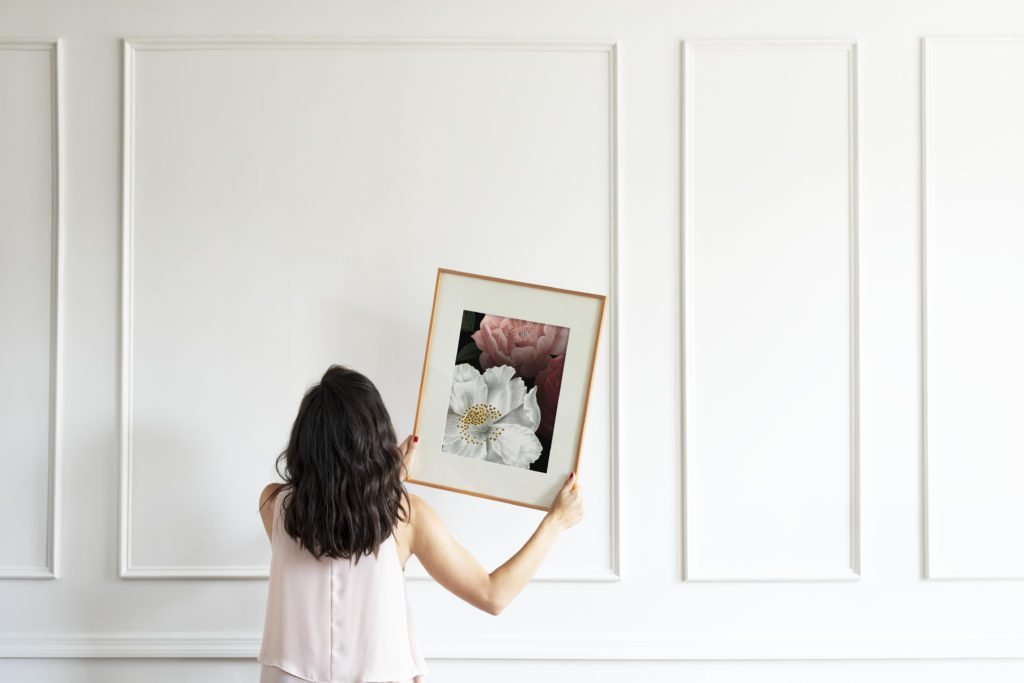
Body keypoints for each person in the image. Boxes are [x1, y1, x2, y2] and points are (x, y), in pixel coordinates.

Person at [256, 364, 584, 683]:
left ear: (304, 441)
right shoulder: (407, 517)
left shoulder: (272, 505)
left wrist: (389, 483)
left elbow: (335, 530)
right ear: (375, 439)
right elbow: (492, 595)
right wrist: (555, 523)